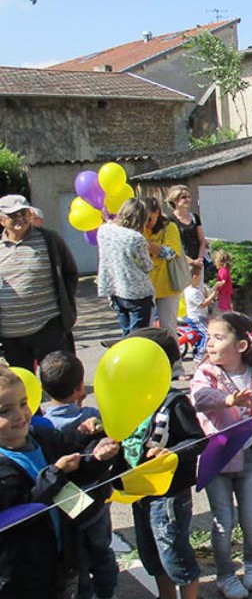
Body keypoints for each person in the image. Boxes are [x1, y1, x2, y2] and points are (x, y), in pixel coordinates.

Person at [0, 365, 118, 598]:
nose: (20, 415)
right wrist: (55, 474)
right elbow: (21, 514)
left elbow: (77, 472)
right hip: (22, 573)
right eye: (5, 410)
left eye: (23, 403)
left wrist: (97, 457)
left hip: (64, 555)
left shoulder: (44, 437)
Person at [190, 313, 252, 599]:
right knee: (222, 521)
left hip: (250, 456)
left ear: (240, 345)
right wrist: (226, 400)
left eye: (218, 337)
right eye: (209, 338)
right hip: (218, 458)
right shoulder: (205, 372)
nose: (210, 344)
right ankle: (225, 576)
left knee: (251, 518)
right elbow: (199, 399)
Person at [117, 328, 207, 599]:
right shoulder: (130, 399)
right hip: (138, 490)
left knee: (173, 552)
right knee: (150, 553)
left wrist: (173, 454)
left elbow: (198, 440)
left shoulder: (174, 403)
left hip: (167, 495)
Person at [38, 351, 117, 599]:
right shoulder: (91, 417)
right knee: (102, 553)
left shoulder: (42, 425)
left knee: (77, 562)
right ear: (80, 387)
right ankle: (108, 593)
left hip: (65, 510)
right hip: (97, 503)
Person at [0, 193, 79, 369]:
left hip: (48, 327)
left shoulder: (49, 240)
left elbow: (70, 273)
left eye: (25, 213)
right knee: (23, 387)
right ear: (2, 220)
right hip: (11, 335)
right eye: (14, 215)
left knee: (58, 377)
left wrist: (64, 304)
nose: (20, 218)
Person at [97, 197, 155, 336]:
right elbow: (146, 266)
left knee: (125, 332)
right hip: (137, 292)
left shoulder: (103, 230)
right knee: (137, 335)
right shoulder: (135, 238)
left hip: (114, 289)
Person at [143, 196, 185, 337]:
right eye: (143, 220)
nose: (146, 224)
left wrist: (149, 246)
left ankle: (174, 359)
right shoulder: (140, 229)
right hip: (145, 287)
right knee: (145, 328)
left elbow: (170, 253)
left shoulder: (169, 227)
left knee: (168, 328)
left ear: (158, 213)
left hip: (167, 286)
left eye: (149, 219)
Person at [183, 264, 222, 363]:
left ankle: (198, 351)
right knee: (207, 334)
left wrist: (214, 289)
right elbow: (203, 304)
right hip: (196, 318)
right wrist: (214, 294)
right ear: (194, 277)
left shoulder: (194, 290)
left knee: (203, 334)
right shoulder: (191, 292)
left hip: (200, 316)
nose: (201, 279)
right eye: (200, 277)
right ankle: (200, 355)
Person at [166, 186, 207, 272]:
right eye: (183, 197)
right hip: (180, 264)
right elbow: (171, 245)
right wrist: (191, 261)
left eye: (189, 197)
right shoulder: (169, 220)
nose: (187, 199)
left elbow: (202, 240)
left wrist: (199, 259)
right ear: (175, 200)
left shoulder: (194, 217)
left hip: (198, 264)